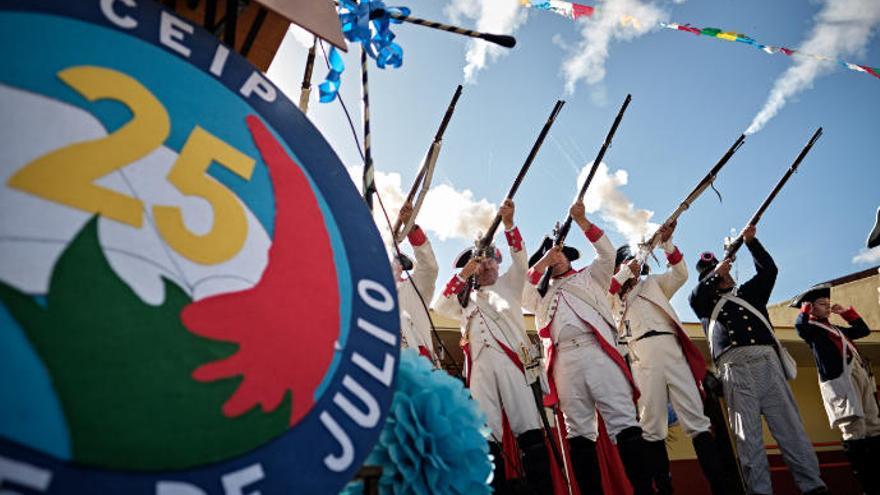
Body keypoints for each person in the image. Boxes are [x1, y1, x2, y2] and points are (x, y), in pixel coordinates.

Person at [523, 200, 654, 495]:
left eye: (559, 255)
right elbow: (522, 289)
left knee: (624, 421)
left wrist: (582, 221)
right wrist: (544, 260)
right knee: (578, 432)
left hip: (598, 352)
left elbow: (607, 253)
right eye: (550, 258)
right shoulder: (538, 296)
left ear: (569, 257)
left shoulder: (590, 276)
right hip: (563, 361)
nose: (556, 260)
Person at [689, 226, 826, 495]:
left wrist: (752, 242)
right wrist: (714, 274)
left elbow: (769, 271)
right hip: (735, 370)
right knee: (747, 441)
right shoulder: (705, 304)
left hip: (766, 363)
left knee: (792, 432)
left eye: (724, 272)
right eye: (716, 275)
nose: (723, 277)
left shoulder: (749, 294)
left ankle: (814, 487)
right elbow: (695, 296)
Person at [433, 199, 552, 494]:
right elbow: (439, 305)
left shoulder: (510, 284)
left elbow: (521, 257)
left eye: (490, 259)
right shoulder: (464, 300)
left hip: (513, 362)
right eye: (480, 261)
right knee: (487, 437)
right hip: (481, 369)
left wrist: (509, 224)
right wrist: (463, 274)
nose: (486, 264)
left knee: (530, 432)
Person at [610, 221, 731, 494]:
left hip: (670, 348)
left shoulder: (652, 283)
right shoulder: (611, 297)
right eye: (627, 262)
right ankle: (664, 489)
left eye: (635, 262)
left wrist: (667, 244)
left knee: (696, 420)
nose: (633, 266)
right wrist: (621, 274)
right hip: (641, 356)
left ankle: (721, 487)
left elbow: (680, 273)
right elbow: (603, 296)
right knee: (651, 426)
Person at [793, 284, 879, 494]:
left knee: (873, 423)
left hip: (859, 374)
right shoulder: (811, 329)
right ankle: (869, 485)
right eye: (822, 304)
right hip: (840, 381)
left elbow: (862, 331)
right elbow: (800, 328)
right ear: (811, 307)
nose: (828, 307)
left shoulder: (837, 329)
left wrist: (846, 314)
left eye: (828, 303)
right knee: (853, 427)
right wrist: (804, 311)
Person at [393, 201, 439, 362]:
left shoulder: (414, 287)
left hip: (416, 364)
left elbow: (429, 266)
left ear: (401, 267)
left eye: (395, 260)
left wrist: (410, 227)